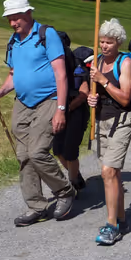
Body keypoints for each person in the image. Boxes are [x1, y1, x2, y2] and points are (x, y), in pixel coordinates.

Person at [0, 0, 76, 226]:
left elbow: (61, 75)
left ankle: (65, 192)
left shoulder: (46, 35)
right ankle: (37, 206)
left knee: (37, 152)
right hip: (23, 103)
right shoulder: (13, 41)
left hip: (49, 100)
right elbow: (14, 74)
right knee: (23, 156)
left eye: (16, 18)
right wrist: (0, 93)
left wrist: (61, 109)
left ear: (28, 14)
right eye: (9, 19)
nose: (12, 23)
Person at [87, 18, 131, 245]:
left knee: (108, 171)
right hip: (101, 120)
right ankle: (121, 218)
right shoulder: (97, 61)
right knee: (113, 173)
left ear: (118, 42)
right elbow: (91, 91)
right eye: (102, 42)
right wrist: (91, 98)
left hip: (122, 120)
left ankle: (111, 226)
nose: (104, 46)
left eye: (109, 42)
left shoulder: (125, 63)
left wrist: (103, 81)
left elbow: (126, 98)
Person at [51, 47, 92, 191]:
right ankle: (75, 176)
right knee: (57, 149)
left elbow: (83, 94)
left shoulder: (79, 69)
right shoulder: (54, 66)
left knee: (70, 151)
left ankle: (74, 183)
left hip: (76, 113)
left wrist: (66, 109)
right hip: (60, 111)